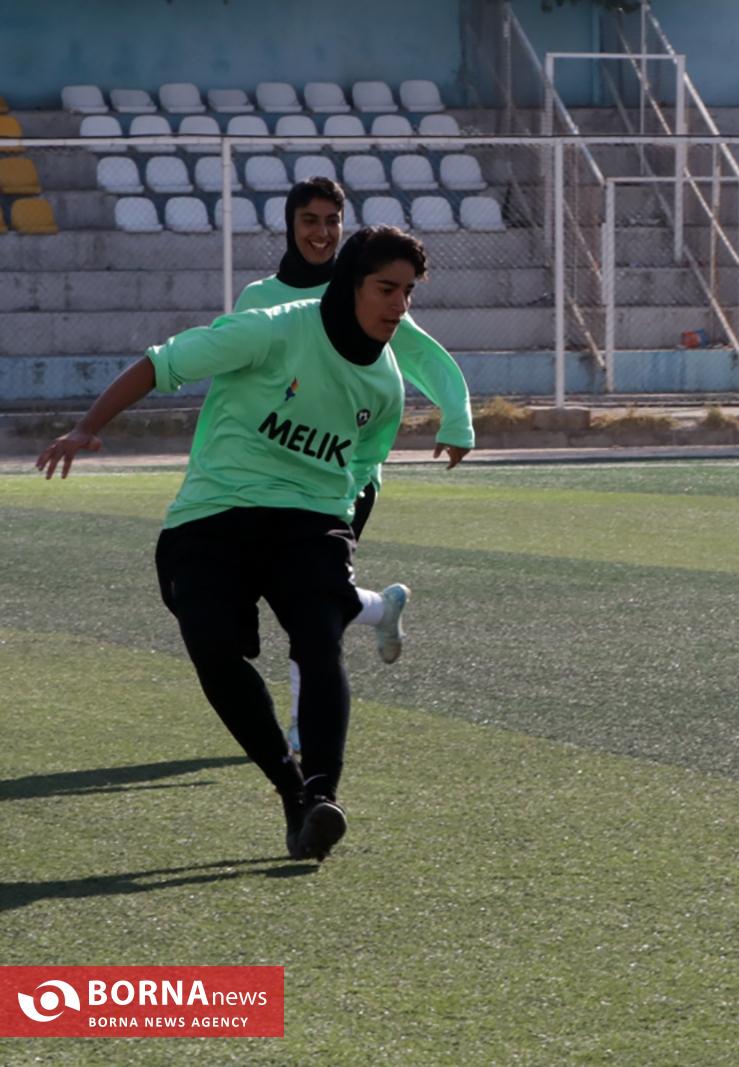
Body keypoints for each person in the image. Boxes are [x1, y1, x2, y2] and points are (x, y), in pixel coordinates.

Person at [37, 227, 432, 863]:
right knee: (214, 652)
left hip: (310, 522)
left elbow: (361, 472)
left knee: (319, 637)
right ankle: (293, 794)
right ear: (350, 284)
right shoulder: (271, 330)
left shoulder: (385, 385)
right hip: (214, 514)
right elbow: (161, 363)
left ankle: (322, 794)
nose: (399, 306)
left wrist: (342, 543)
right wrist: (86, 427)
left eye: (409, 292)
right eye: (387, 289)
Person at [237, 177, 476, 758]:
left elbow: (422, 354)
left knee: (310, 610)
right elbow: (234, 385)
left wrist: (457, 420)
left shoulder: (365, 290)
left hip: (345, 478)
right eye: (309, 220)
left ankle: (304, 724)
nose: (321, 233)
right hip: (267, 479)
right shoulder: (259, 299)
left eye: (332, 221)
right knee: (297, 593)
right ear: (290, 225)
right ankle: (380, 608)